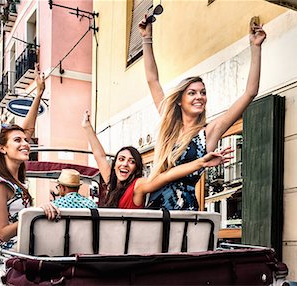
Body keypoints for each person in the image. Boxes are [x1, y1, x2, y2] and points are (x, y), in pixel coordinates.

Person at [138, 18, 267, 210]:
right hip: (156, 206)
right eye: (192, 93)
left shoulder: (208, 132)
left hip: (184, 210)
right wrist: (146, 39)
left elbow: (250, 93)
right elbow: (152, 80)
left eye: (203, 92)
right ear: (180, 100)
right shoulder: (170, 124)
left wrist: (255, 47)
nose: (200, 97)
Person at [81, 111, 232, 209]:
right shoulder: (111, 183)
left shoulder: (138, 186)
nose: (125, 164)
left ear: (136, 169)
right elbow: (100, 156)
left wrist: (201, 162)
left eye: (131, 161)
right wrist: (87, 127)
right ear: (115, 165)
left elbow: (167, 175)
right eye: (121, 159)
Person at [0, 63, 57, 251]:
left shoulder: (14, 179)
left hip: (25, 246)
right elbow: (3, 232)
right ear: (3, 149)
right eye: (18, 140)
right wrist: (35, 213)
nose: (25, 143)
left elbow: (28, 129)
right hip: (8, 254)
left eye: (26, 140)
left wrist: (39, 93)